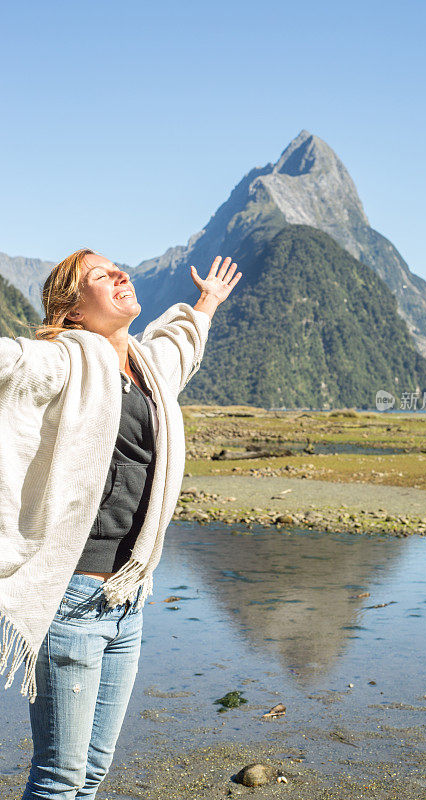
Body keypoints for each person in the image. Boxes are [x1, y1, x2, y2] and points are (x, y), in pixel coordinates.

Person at [0, 248, 241, 799]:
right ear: (74, 311)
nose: (120, 275)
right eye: (101, 276)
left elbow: (180, 345)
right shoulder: (64, 360)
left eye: (118, 268)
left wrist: (207, 302)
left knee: (93, 771)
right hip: (73, 600)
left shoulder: (146, 366)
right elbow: (11, 360)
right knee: (60, 777)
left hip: (127, 599)